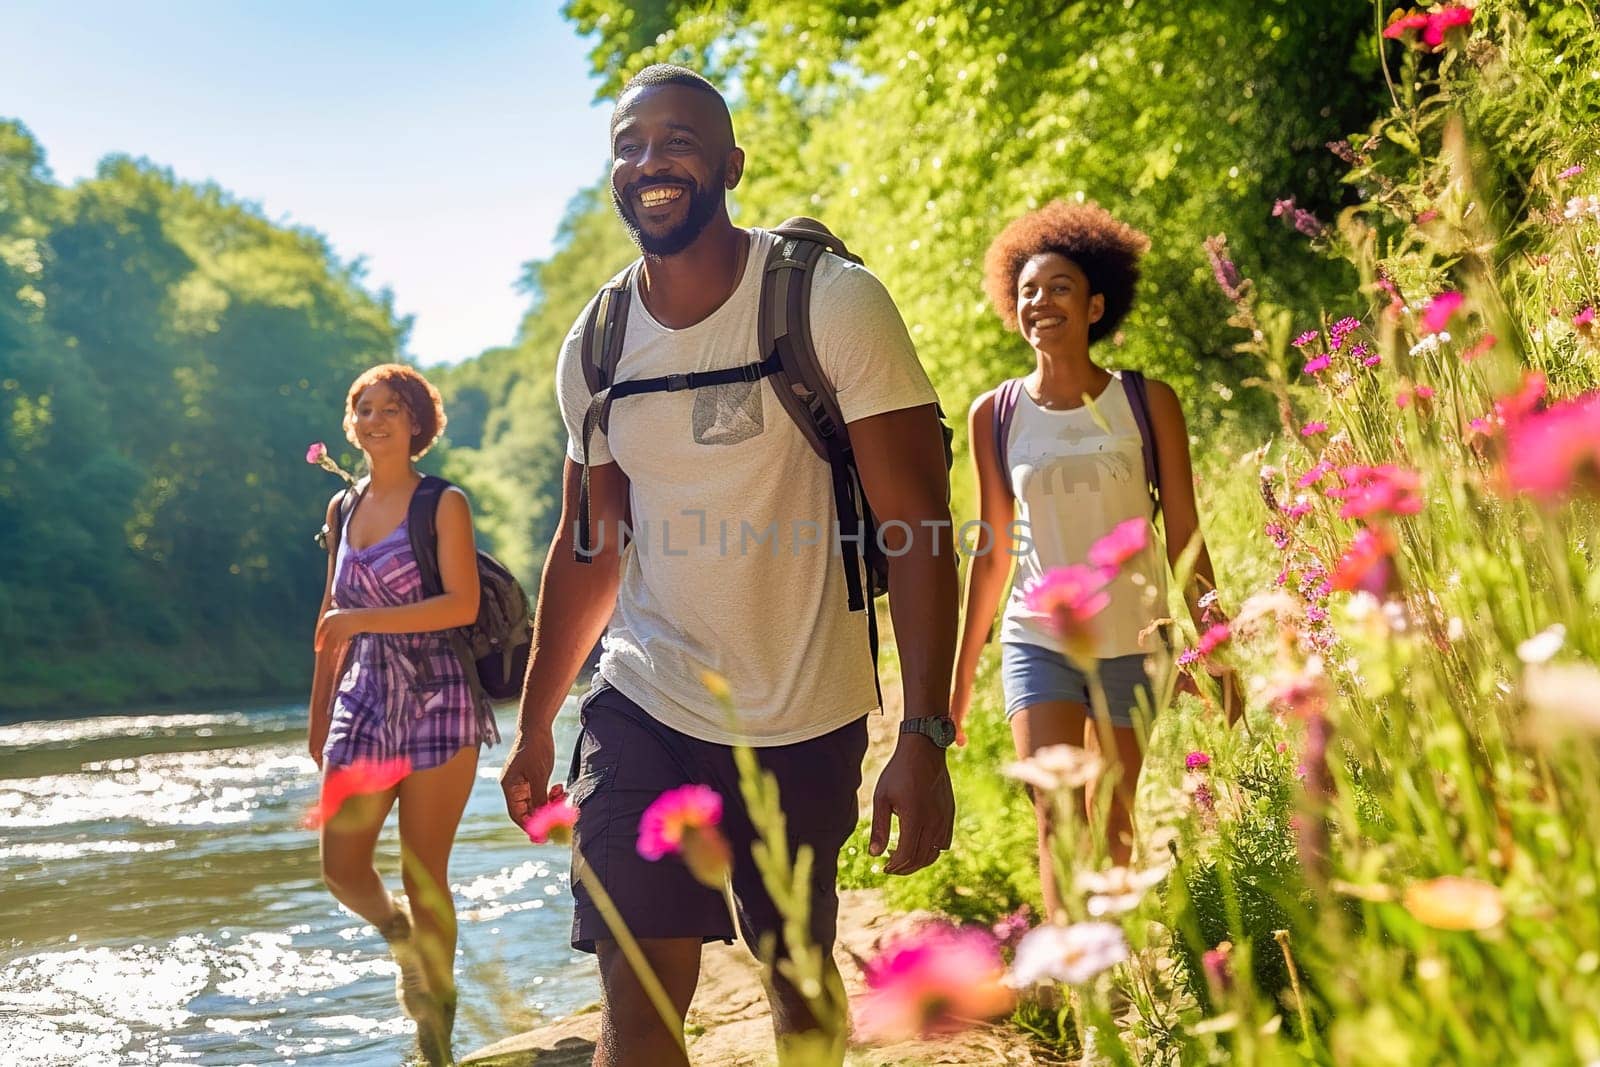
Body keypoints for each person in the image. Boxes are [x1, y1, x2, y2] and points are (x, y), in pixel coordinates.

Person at [498, 64, 958, 1066]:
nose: (650, 160)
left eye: (677, 140)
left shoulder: (830, 304)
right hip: (643, 697)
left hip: (803, 706)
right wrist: (535, 722)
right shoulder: (596, 342)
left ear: (731, 164)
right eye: (629, 143)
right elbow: (590, 542)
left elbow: (918, 523)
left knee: (793, 964)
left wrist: (923, 731)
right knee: (636, 967)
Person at [949, 201, 1236, 916]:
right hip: (1036, 636)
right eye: (1027, 290)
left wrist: (1217, 647)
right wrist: (955, 684)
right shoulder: (997, 413)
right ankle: (1085, 1007)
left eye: (1059, 287)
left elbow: (1185, 538)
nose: (1039, 301)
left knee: (1108, 816)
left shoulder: (1147, 400)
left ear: (1096, 304)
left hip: (1131, 641)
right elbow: (993, 550)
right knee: (1056, 815)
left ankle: (1114, 966)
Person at [306, 363, 500, 1066]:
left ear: (418, 422)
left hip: (439, 696)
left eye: (392, 407)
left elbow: (462, 605)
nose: (376, 418)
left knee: (425, 875)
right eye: (363, 407)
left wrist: (364, 618)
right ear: (350, 423)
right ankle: (401, 944)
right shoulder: (342, 508)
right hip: (361, 700)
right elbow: (330, 621)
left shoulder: (442, 502)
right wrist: (317, 714)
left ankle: (436, 1033)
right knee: (341, 865)